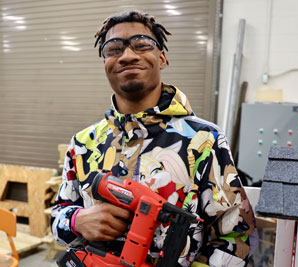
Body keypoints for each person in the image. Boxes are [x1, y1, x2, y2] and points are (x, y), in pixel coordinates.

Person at [51, 10, 256, 267]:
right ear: (105, 64)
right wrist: (76, 220)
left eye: (141, 45)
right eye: (113, 49)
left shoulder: (204, 140)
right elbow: (58, 215)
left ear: (162, 58)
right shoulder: (83, 143)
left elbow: (235, 236)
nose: (127, 55)